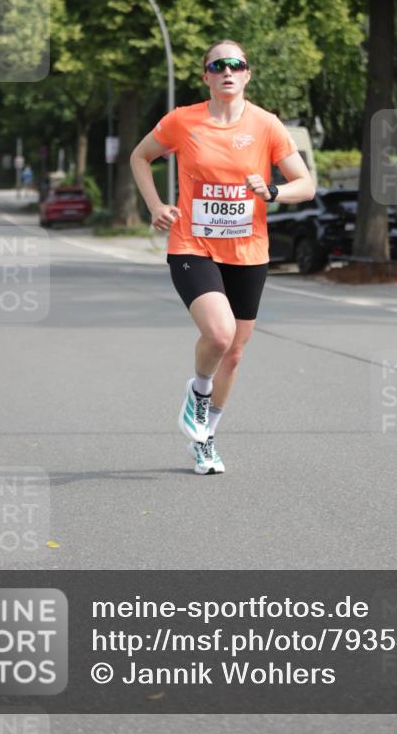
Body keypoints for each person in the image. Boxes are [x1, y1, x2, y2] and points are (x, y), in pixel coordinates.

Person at [130, 39, 315, 475]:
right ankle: (198, 393)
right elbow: (140, 156)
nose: (227, 71)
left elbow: (304, 184)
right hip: (193, 245)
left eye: (236, 65)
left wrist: (273, 191)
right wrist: (156, 206)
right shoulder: (182, 121)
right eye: (218, 66)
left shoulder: (267, 125)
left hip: (249, 250)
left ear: (248, 74)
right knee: (218, 334)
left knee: (234, 353)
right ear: (206, 77)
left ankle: (206, 439)